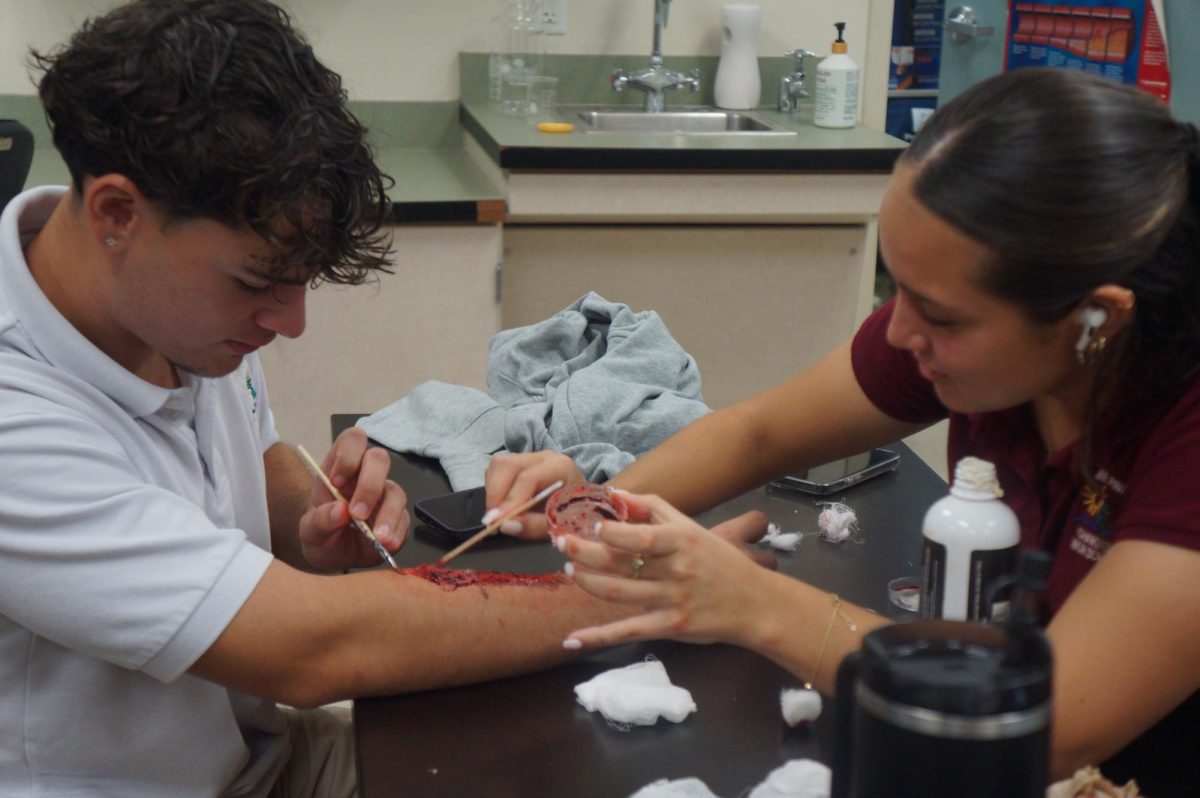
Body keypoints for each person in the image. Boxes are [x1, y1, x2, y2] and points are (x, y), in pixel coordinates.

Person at [485, 68, 1200, 795]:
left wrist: (752, 604)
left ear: (1097, 320)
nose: (900, 335)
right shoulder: (979, 349)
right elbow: (762, 432)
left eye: (941, 315)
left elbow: (1051, 727)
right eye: (897, 289)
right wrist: (601, 508)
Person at [0, 2, 634, 796]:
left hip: (260, 756)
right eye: (259, 283)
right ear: (117, 214)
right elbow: (309, 652)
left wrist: (312, 516)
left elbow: (250, 460)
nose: (290, 325)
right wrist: (645, 594)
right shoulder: (15, 416)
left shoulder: (168, 306)